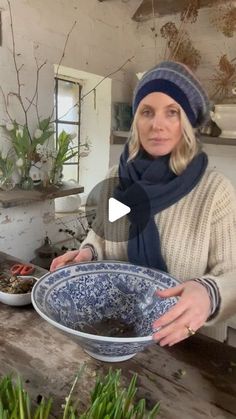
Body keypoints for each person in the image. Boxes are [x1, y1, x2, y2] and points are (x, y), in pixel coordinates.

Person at [50, 61, 236, 347]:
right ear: (136, 119)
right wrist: (87, 253)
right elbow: (102, 236)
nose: (156, 124)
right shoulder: (117, 178)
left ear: (186, 122)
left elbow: (231, 275)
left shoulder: (214, 192)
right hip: (117, 331)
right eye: (146, 111)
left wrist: (209, 293)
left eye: (172, 112)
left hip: (187, 347)